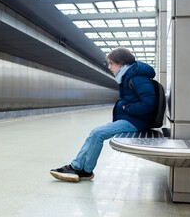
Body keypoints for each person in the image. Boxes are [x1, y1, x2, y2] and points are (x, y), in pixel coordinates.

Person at [50, 47, 157, 182]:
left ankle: (82, 169)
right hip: (132, 119)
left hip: (137, 121)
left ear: (122, 63)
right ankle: (79, 168)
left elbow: (149, 104)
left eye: (112, 63)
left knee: (98, 133)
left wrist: (127, 108)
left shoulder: (137, 78)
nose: (109, 67)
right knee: (95, 133)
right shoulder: (127, 77)